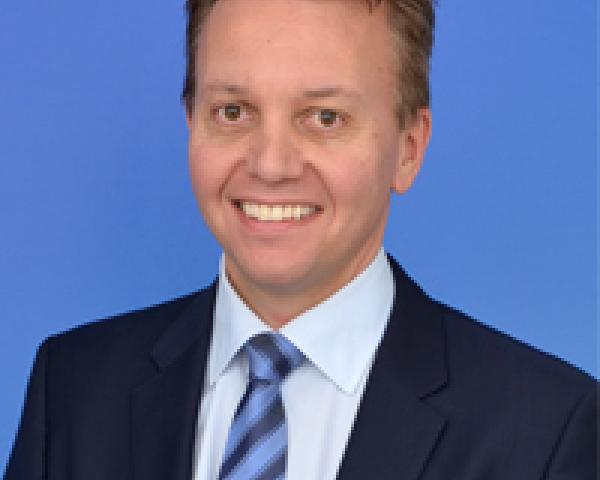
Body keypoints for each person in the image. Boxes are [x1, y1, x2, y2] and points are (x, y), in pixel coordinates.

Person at [4, 0, 597, 479]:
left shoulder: (546, 433)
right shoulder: (73, 389)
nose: (271, 164)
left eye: (325, 117)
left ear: (409, 148)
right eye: (233, 111)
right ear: (191, 122)